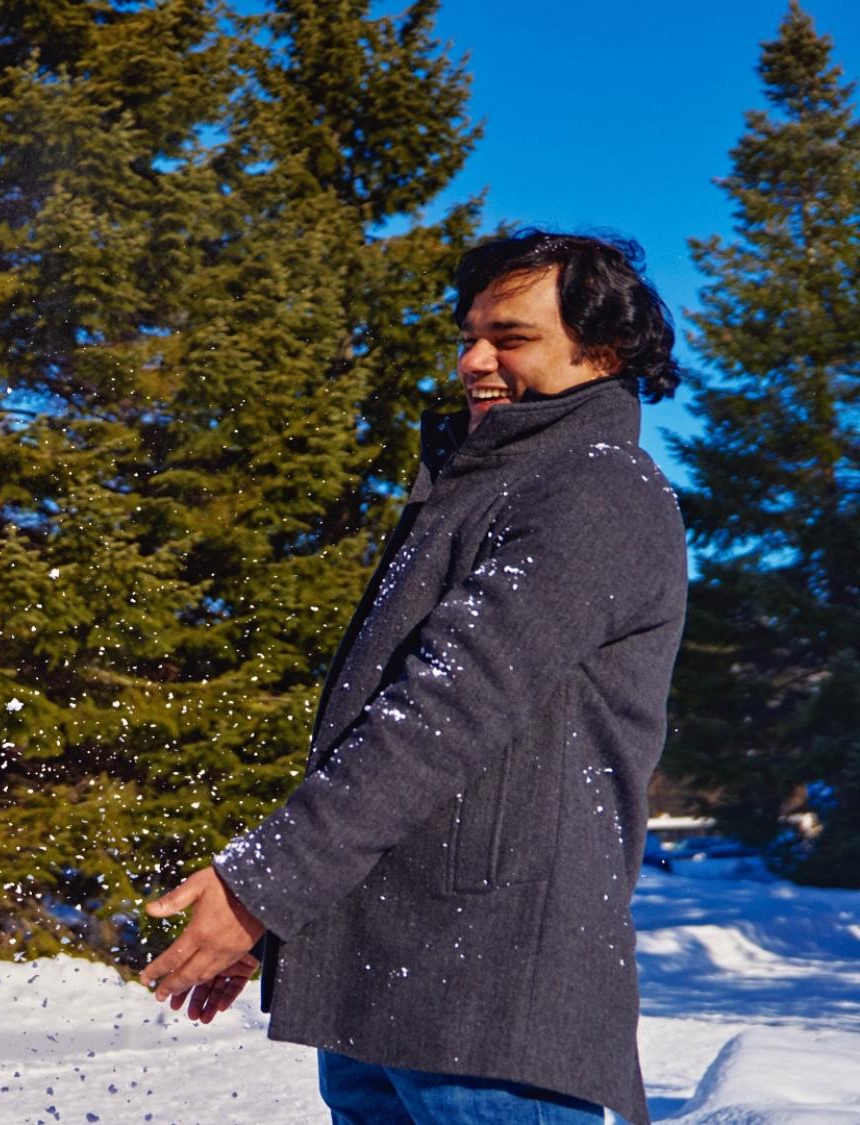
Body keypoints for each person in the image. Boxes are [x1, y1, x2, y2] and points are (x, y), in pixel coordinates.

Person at [138, 231, 688, 1125]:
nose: (474, 359)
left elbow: (438, 714)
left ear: (605, 350)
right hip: (383, 989)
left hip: (490, 1005)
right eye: (469, 334)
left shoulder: (595, 489)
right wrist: (290, 911)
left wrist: (261, 888)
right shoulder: (484, 484)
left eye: (510, 338)